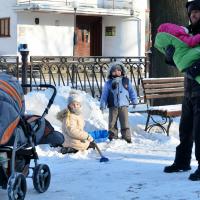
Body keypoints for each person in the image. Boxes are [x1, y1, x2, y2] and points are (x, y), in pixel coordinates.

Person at [163, 0, 200, 181]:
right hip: (189, 90)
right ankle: (182, 161)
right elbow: (180, 56)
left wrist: (198, 67)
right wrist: (169, 56)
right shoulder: (185, 33)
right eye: (192, 12)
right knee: (185, 128)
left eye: (197, 12)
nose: (194, 15)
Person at [100, 61, 138, 143]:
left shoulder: (126, 81)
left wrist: (134, 100)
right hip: (112, 106)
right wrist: (102, 105)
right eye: (114, 70)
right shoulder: (108, 83)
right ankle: (113, 136)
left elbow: (132, 91)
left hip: (124, 105)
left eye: (118, 70)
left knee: (125, 122)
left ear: (122, 71)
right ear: (111, 72)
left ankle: (126, 137)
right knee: (112, 122)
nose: (116, 72)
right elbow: (104, 95)